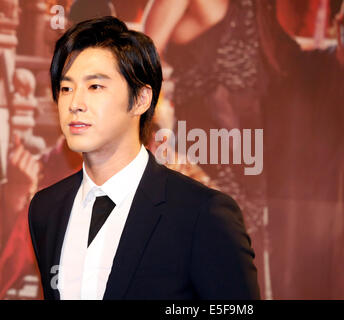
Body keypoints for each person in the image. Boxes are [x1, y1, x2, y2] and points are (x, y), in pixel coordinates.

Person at [143, 0, 344, 299]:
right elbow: (140, 60)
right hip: (202, 165)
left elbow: (294, 75)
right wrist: (155, 143)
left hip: (249, 172)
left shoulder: (256, 10)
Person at [27, 16, 259, 300]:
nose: (75, 103)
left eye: (95, 87)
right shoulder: (47, 208)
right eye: (66, 88)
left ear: (141, 99)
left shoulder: (202, 214)